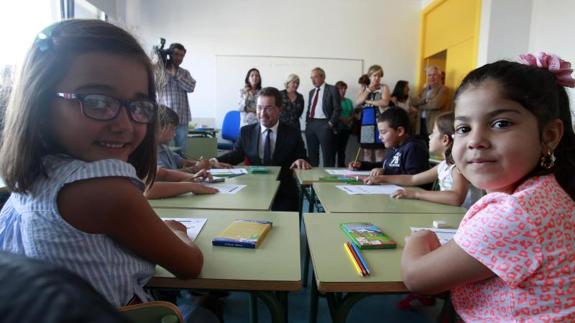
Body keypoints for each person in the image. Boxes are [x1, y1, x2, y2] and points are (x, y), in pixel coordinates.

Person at [0, 20, 204, 311]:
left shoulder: (33, 177)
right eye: (96, 102)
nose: (124, 125)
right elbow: (190, 265)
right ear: (40, 103)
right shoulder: (103, 188)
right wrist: (177, 232)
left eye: (139, 106)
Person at [401, 53, 575, 321]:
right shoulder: (544, 193)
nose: (475, 140)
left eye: (500, 123)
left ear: (549, 135)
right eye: (463, 128)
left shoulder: (516, 213)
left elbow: (416, 278)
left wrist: (418, 240)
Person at [214, 87, 311, 211]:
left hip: (284, 190)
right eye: (259, 107)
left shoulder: (292, 133)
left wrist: (301, 160)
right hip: (253, 187)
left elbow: (303, 157)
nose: (262, 113)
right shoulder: (246, 132)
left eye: (268, 108)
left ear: (279, 109)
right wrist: (213, 161)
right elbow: (235, 155)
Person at [363, 112, 481, 208]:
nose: (429, 136)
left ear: (445, 139)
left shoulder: (458, 167)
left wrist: (416, 194)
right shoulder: (444, 165)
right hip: (451, 214)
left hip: (464, 219)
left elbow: (456, 198)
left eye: (433, 132)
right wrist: (382, 178)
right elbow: (413, 178)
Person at [349, 107, 429, 179]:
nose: (380, 137)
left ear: (400, 131)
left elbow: (414, 178)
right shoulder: (393, 147)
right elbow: (385, 165)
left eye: (383, 132)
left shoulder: (414, 148)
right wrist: (362, 165)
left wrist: (385, 173)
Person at [157, 105, 230, 172]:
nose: (174, 134)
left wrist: (211, 164)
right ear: (159, 127)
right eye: (172, 129)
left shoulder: (164, 149)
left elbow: (183, 162)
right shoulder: (151, 153)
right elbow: (165, 175)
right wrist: (196, 168)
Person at [157, 43, 196, 154]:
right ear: (169, 54)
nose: (179, 58)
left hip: (182, 118)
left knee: (182, 150)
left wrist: (175, 74)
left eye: (182, 55)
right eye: (176, 54)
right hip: (164, 118)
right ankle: (167, 170)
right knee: (163, 149)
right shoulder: (159, 71)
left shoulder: (184, 73)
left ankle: (182, 170)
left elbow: (190, 87)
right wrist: (165, 69)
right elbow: (156, 86)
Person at [305, 67, 341, 167]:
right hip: (311, 125)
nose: (313, 80)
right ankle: (311, 181)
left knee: (327, 156)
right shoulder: (311, 92)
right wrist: (308, 123)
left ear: (323, 77)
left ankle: (327, 181)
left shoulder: (332, 89)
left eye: (315, 77)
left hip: (325, 124)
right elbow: (309, 108)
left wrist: (330, 124)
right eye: (311, 77)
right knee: (312, 156)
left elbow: (337, 109)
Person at [355, 65, 391, 163]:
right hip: (366, 124)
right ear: (370, 76)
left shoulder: (384, 87)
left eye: (379, 75)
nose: (377, 78)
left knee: (379, 151)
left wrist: (369, 101)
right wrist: (368, 90)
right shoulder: (364, 88)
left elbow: (385, 102)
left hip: (380, 122)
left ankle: (379, 175)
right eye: (375, 75)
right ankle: (367, 175)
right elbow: (358, 102)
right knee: (366, 152)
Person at [413, 65, 448, 136]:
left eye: (434, 75)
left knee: (430, 144)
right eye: (429, 75)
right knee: (421, 143)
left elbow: (436, 104)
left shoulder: (443, 89)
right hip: (421, 122)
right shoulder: (424, 89)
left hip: (432, 123)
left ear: (440, 76)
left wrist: (419, 106)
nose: (432, 77)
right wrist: (424, 101)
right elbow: (414, 101)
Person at [335, 81, 354, 167]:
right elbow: (334, 113)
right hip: (337, 128)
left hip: (347, 128)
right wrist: (343, 120)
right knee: (334, 149)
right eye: (341, 88)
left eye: (344, 89)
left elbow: (352, 113)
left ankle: (341, 166)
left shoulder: (349, 101)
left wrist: (349, 119)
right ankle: (331, 167)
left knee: (342, 149)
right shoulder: (334, 100)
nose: (343, 90)